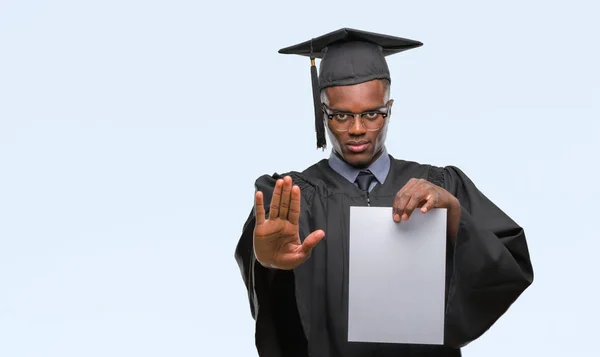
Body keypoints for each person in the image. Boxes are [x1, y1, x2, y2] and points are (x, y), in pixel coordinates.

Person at [234, 28, 534, 357]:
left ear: (389, 107)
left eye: (372, 114)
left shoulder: (439, 188)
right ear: (323, 112)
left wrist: (454, 219)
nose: (358, 129)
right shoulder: (293, 199)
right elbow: (282, 323)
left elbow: (507, 270)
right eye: (341, 115)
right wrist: (268, 266)